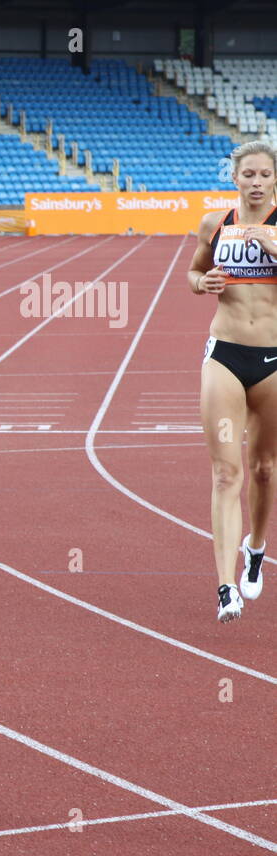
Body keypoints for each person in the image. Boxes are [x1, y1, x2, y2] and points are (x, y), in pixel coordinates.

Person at [188, 141, 277, 622]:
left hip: (275, 362)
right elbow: (193, 272)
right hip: (223, 356)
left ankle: (257, 547)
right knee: (226, 473)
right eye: (249, 174)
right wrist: (203, 284)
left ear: (276, 179)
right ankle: (226, 588)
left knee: (264, 468)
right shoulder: (214, 223)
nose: (257, 182)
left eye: (265, 174)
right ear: (236, 178)